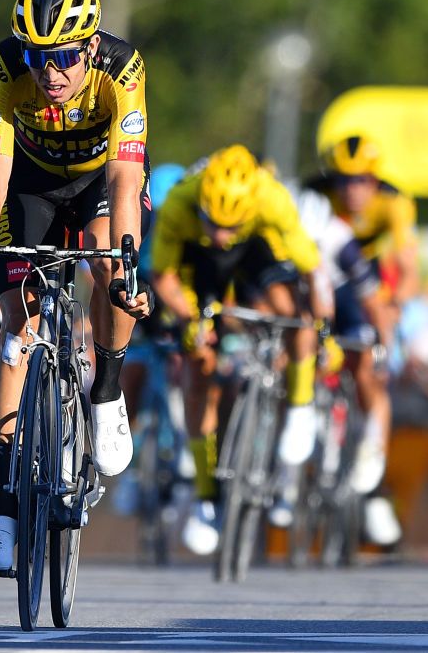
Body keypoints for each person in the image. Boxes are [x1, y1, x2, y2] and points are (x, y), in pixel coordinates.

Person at [0, 0, 152, 575]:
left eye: (62, 58)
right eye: (38, 56)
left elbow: (126, 179)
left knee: (110, 262)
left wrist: (127, 263)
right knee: (16, 328)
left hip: (99, 183)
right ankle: (4, 507)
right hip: (26, 185)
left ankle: (106, 390)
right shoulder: (3, 68)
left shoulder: (122, 67)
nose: (49, 72)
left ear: (87, 49)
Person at [150, 144, 332, 555]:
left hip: (255, 252)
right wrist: (190, 318)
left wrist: (322, 323)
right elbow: (164, 276)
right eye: (213, 223)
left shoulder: (271, 199)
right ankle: (204, 494)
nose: (221, 235)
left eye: (229, 226)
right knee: (200, 366)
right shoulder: (181, 201)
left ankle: (298, 409)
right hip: (196, 267)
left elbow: (312, 268)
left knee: (296, 314)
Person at [308, 134, 420, 545]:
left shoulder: (395, 203)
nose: (353, 190)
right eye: (344, 181)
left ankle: (373, 474)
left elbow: (409, 270)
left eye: (362, 181)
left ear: (375, 181)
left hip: (371, 284)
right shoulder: (316, 197)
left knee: (371, 372)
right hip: (324, 279)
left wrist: (394, 309)